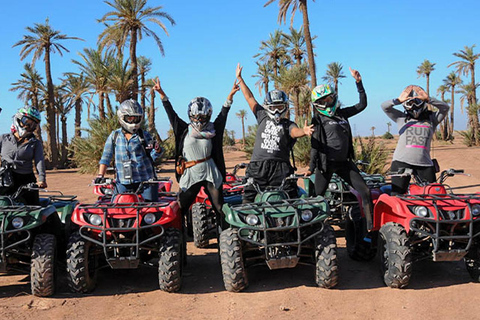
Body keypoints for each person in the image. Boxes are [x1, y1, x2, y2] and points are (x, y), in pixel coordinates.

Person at [153, 77, 239, 223]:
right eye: (196, 116)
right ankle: (179, 241)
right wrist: (162, 93)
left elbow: (223, 114)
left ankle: (225, 240)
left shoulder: (213, 129)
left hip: (211, 172)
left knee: (220, 208)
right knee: (180, 208)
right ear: (191, 115)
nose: (199, 120)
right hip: (190, 173)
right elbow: (171, 113)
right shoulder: (183, 129)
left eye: (202, 117)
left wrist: (230, 96)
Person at [235, 63, 314, 203]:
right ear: (268, 107)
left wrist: (304, 131)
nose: (277, 110)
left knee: (291, 196)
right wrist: (240, 79)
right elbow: (250, 98)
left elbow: (295, 132)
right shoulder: (262, 116)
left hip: (281, 167)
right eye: (273, 107)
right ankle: (246, 224)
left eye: (280, 107)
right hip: (258, 166)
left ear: (285, 107)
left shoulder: (288, 124)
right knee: (248, 198)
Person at [309, 68, 373, 229]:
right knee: (317, 199)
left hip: (344, 162)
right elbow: (315, 144)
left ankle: (369, 229)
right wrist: (311, 167)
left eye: (329, 99)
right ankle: (314, 231)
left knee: (365, 191)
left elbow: (362, 104)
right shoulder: (317, 119)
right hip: (325, 165)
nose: (327, 103)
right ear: (317, 104)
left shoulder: (342, 114)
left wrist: (359, 82)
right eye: (323, 101)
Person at [381, 85, 449, 195]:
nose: (413, 105)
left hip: (424, 163)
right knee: (397, 196)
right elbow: (385, 107)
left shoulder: (432, 119)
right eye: (410, 102)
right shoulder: (401, 118)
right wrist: (398, 100)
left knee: (433, 195)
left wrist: (428, 99)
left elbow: (445, 108)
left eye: (417, 101)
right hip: (401, 162)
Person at [97, 99, 162, 201]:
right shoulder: (115, 136)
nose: (133, 122)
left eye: (136, 118)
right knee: (116, 208)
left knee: (151, 210)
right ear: (122, 118)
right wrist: (100, 175)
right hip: (123, 182)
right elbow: (106, 157)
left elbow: (153, 155)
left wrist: (157, 150)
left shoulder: (144, 136)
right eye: (130, 118)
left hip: (145, 181)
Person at [0, 106, 46, 205]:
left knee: (33, 210)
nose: (29, 126)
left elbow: (39, 161)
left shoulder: (35, 143)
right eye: (27, 122)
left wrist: (41, 179)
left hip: (26, 180)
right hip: (5, 180)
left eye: (34, 125)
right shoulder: (3, 139)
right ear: (18, 119)